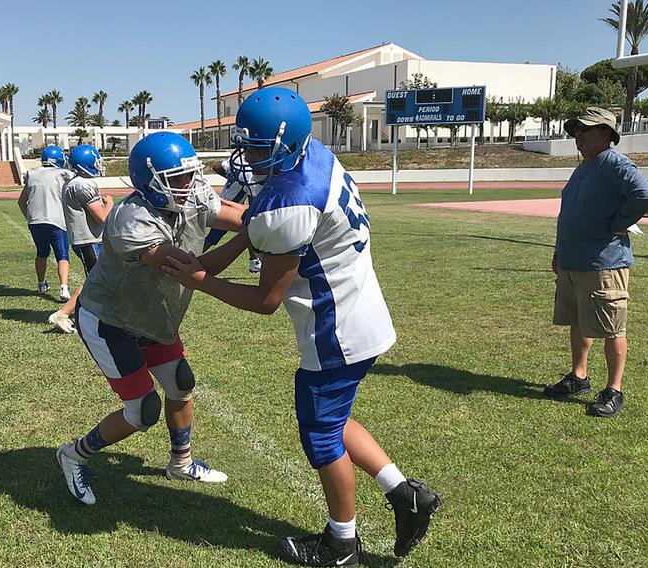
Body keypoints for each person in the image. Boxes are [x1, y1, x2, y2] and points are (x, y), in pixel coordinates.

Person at [163, 87, 440, 565]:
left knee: (321, 435)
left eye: (256, 147)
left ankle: (341, 543)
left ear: (283, 143)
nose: (246, 156)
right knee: (333, 419)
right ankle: (404, 494)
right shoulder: (316, 156)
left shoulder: (290, 201)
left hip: (336, 329)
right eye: (244, 143)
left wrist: (201, 279)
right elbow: (254, 227)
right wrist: (206, 263)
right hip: (361, 311)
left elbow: (267, 299)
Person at [55, 132, 246, 505]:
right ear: (150, 181)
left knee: (181, 384)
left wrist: (275, 220)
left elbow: (238, 215)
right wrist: (252, 237)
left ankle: (181, 463)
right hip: (111, 321)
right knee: (143, 411)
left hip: (153, 315)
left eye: (190, 175)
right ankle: (73, 454)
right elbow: (189, 268)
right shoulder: (133, 220)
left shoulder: (193, 194)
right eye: (177, 178)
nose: (188, 185)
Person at [545, 107, 648, 418]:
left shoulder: (614, 163)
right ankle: (579, 376)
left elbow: (645, 195)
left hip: (603, 263)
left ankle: (613, 390)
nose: (579, 135)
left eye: (586, 129)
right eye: (576, 130)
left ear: (606, 134)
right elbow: (569, 212)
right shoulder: (584, 167)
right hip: (573, 260)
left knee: (611, 328)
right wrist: (559, 251)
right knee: (579, 321)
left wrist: (620, 222)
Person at [48, 145, 113, 334]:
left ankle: (98, 315)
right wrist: (109, 203)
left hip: (86, 239)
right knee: (96, 281)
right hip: (89, 240)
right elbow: (101, 217)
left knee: (101, 279)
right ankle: (63, 313)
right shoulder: (83, 185)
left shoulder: (73, 183)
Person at [18, 145, 74, 300]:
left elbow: (21, 201)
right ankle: (63, 288)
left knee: (42, 253)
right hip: (56, 220)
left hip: (36, 221)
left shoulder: (32, 174)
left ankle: (41, 283)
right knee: (62, 255)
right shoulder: (64, 174)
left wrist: (30, 218)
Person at [203, 156, 263, 273]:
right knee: (212, 238)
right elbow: (256, 192)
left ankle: (254, 261)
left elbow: (217, 166)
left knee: (249, 228)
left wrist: (232, 177)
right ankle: (186, 260)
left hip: (224, 201)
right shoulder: (250, 172)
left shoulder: (238, 160)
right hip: (229, 208)